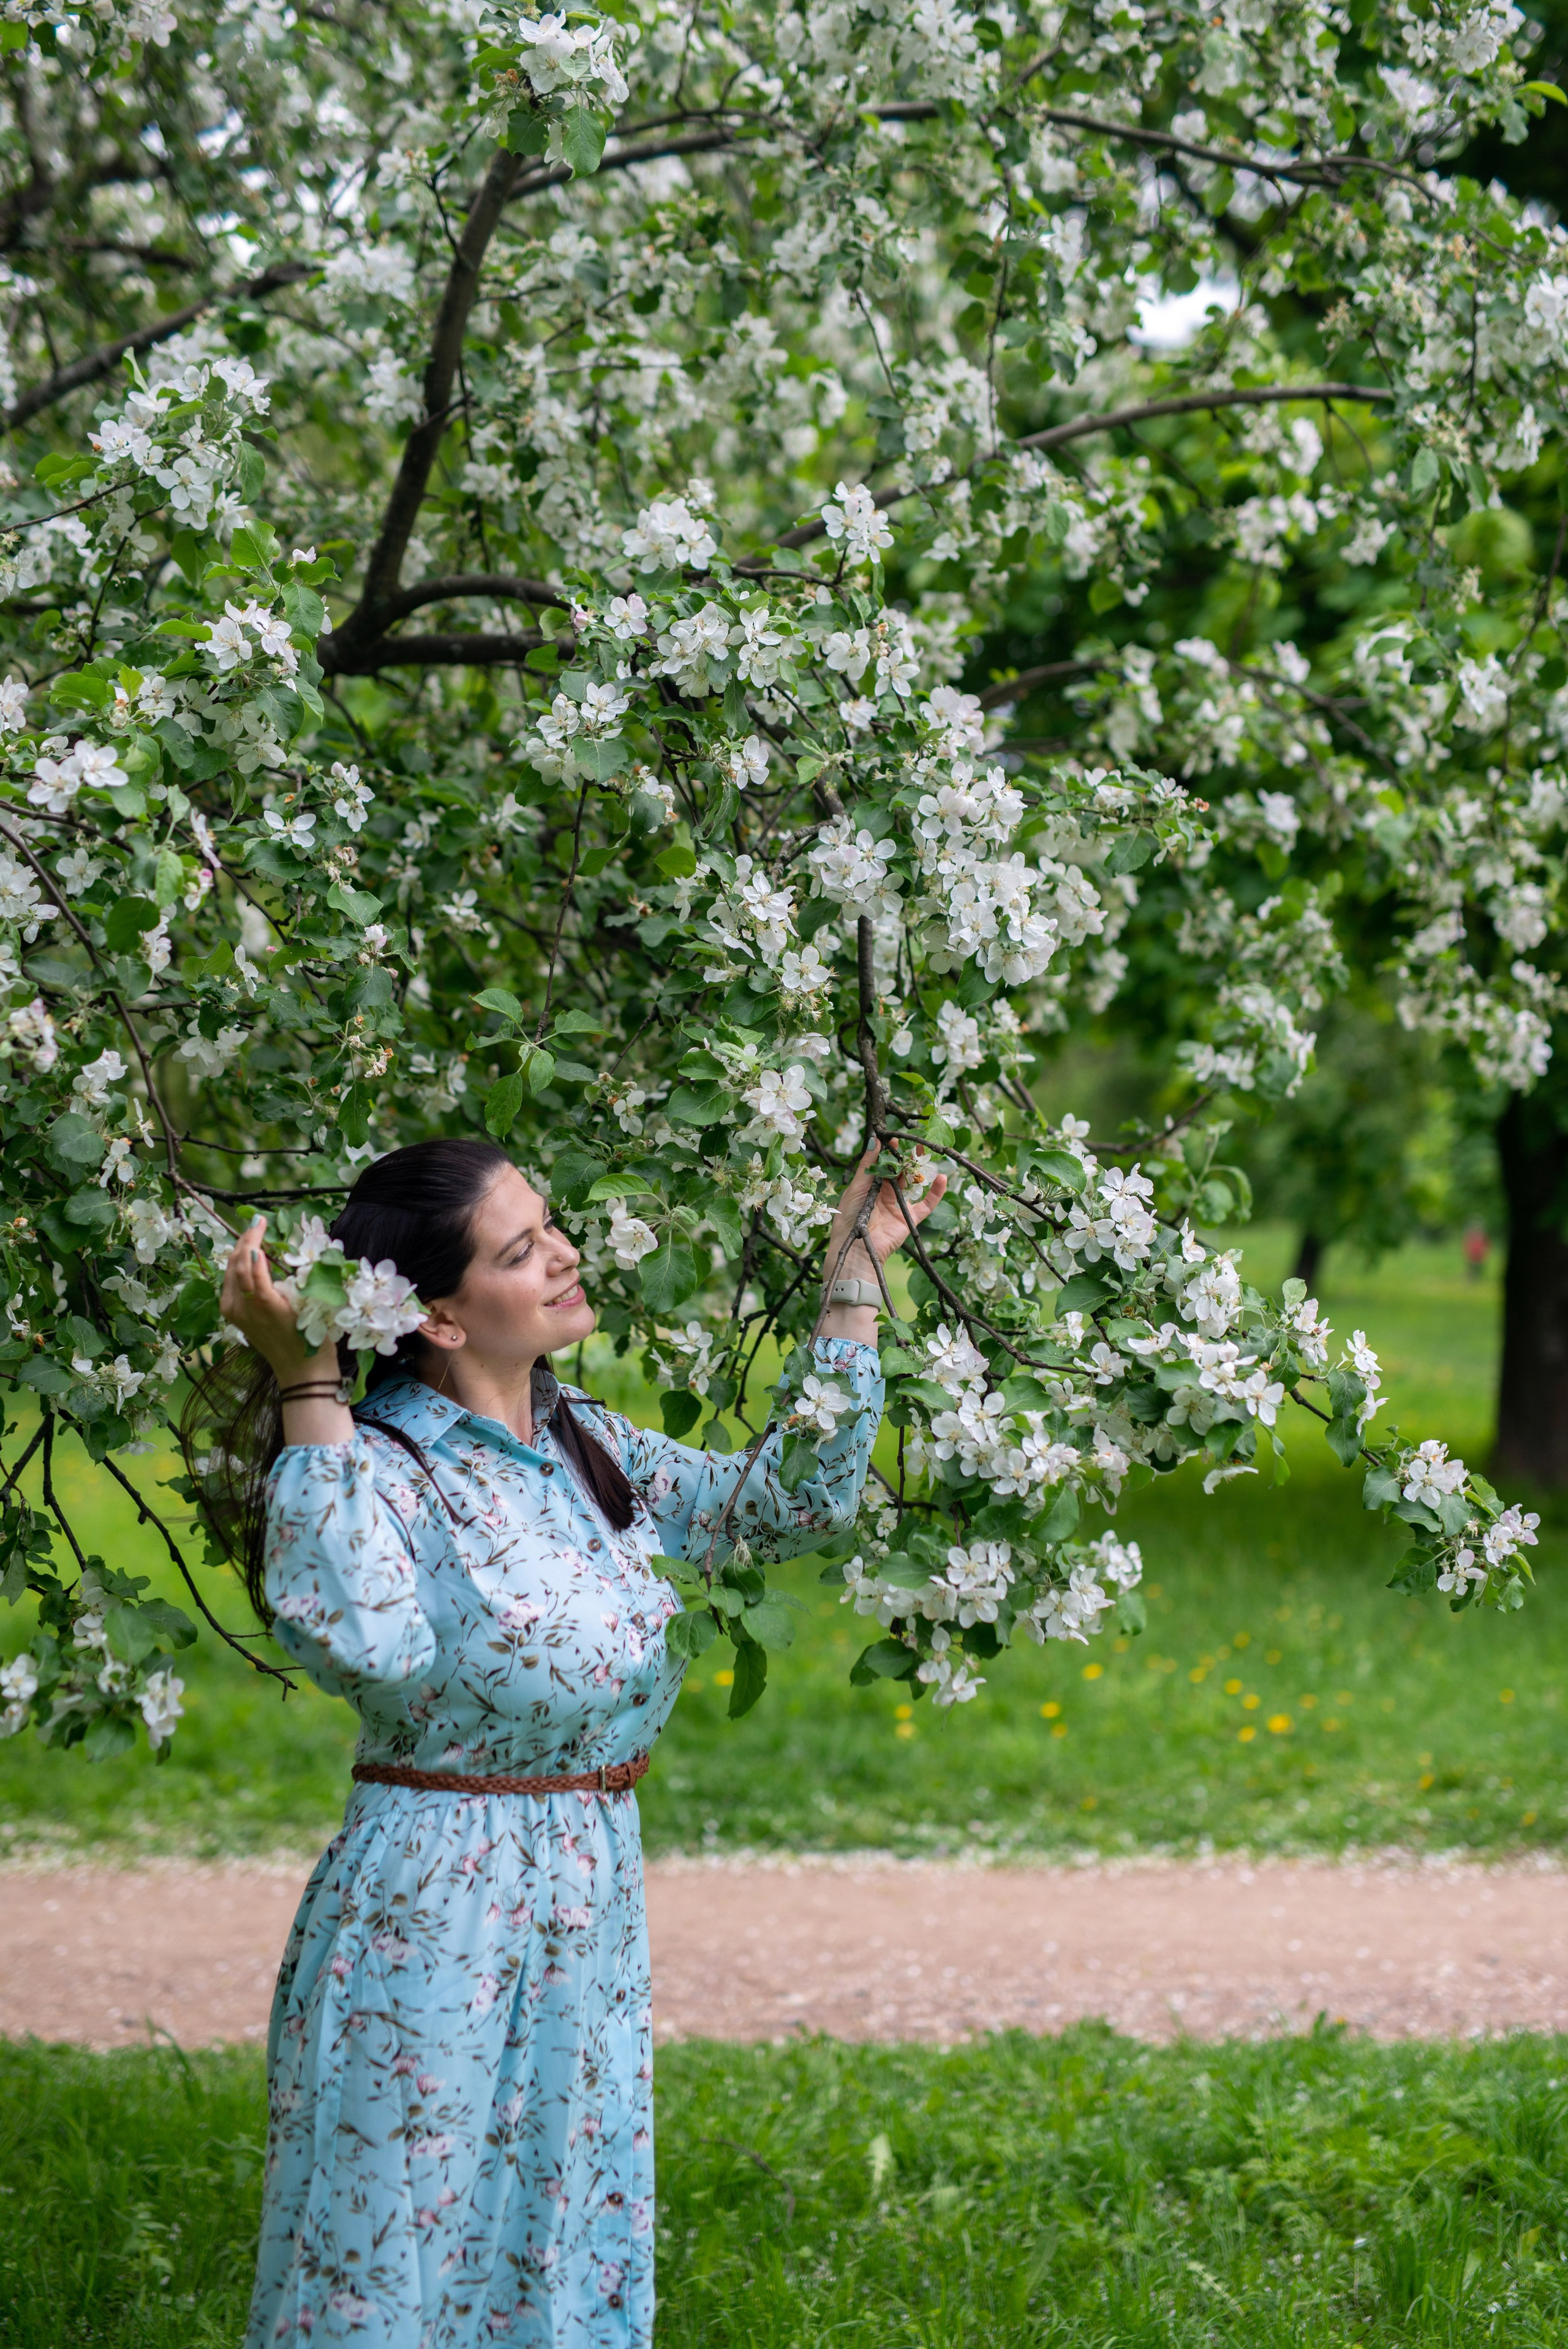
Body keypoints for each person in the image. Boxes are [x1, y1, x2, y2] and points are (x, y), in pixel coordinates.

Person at [202, 1133, 946, 2349]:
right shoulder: (378, 1463)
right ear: (437, 1316)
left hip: (586, 1896)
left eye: (549, 1226)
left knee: (557, 2241)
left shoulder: (580, 1441)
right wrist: (307, 1383)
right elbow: (368, 1644)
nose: (562, 1256)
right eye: (518, 1250)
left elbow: (789, 1502)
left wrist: (852, 1278)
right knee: (399, 2256)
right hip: (433, 1909)